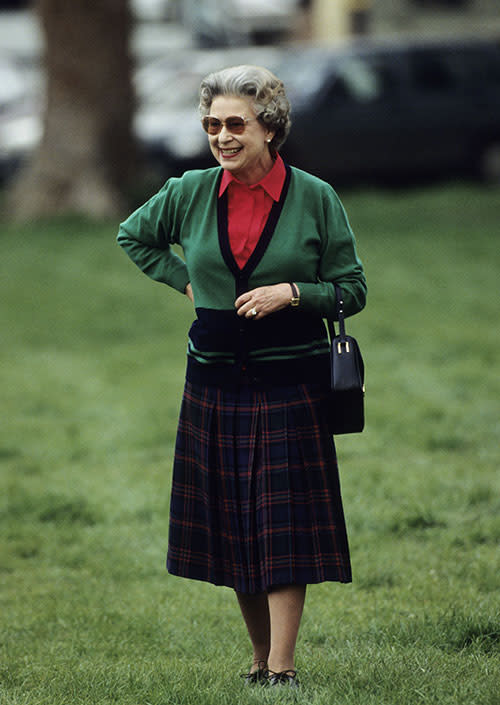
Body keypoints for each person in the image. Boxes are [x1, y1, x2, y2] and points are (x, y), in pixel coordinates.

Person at [117, 65, 366, 688]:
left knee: (281, 529)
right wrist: (186, 281)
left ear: (270, 130)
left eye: (235, 125)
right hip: (214, 383)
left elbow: (352, 290)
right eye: (212, 125)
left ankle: (282, 667)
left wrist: (293, 292)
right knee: (235, 529)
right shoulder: (190, 190)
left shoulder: (315, 198)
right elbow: (134, 235)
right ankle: (257, 659)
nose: (221, 137)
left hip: (293, 384)